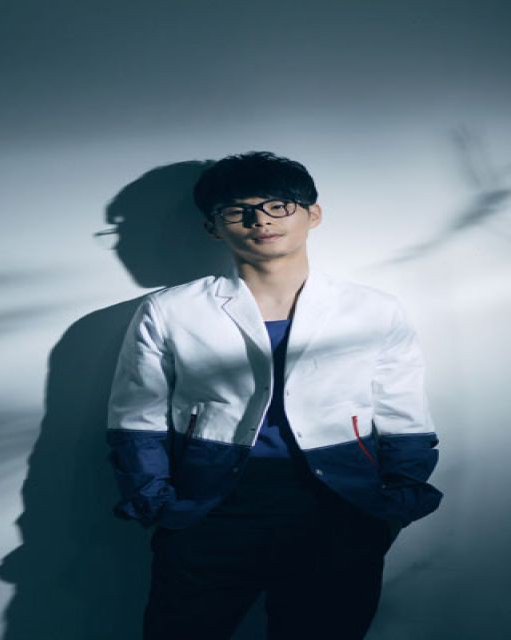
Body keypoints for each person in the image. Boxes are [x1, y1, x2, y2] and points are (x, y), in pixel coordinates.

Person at [106, 151, 443, 640]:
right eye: (237, 210)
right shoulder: (170, 310)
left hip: (338, 506)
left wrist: (395, 501)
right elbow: (136, 419)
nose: (260, 220)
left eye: (278, 205)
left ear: (313, 214)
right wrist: (157, 502)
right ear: (213, 227)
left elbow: (403, 413)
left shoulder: (373, 310)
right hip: (211, 506)